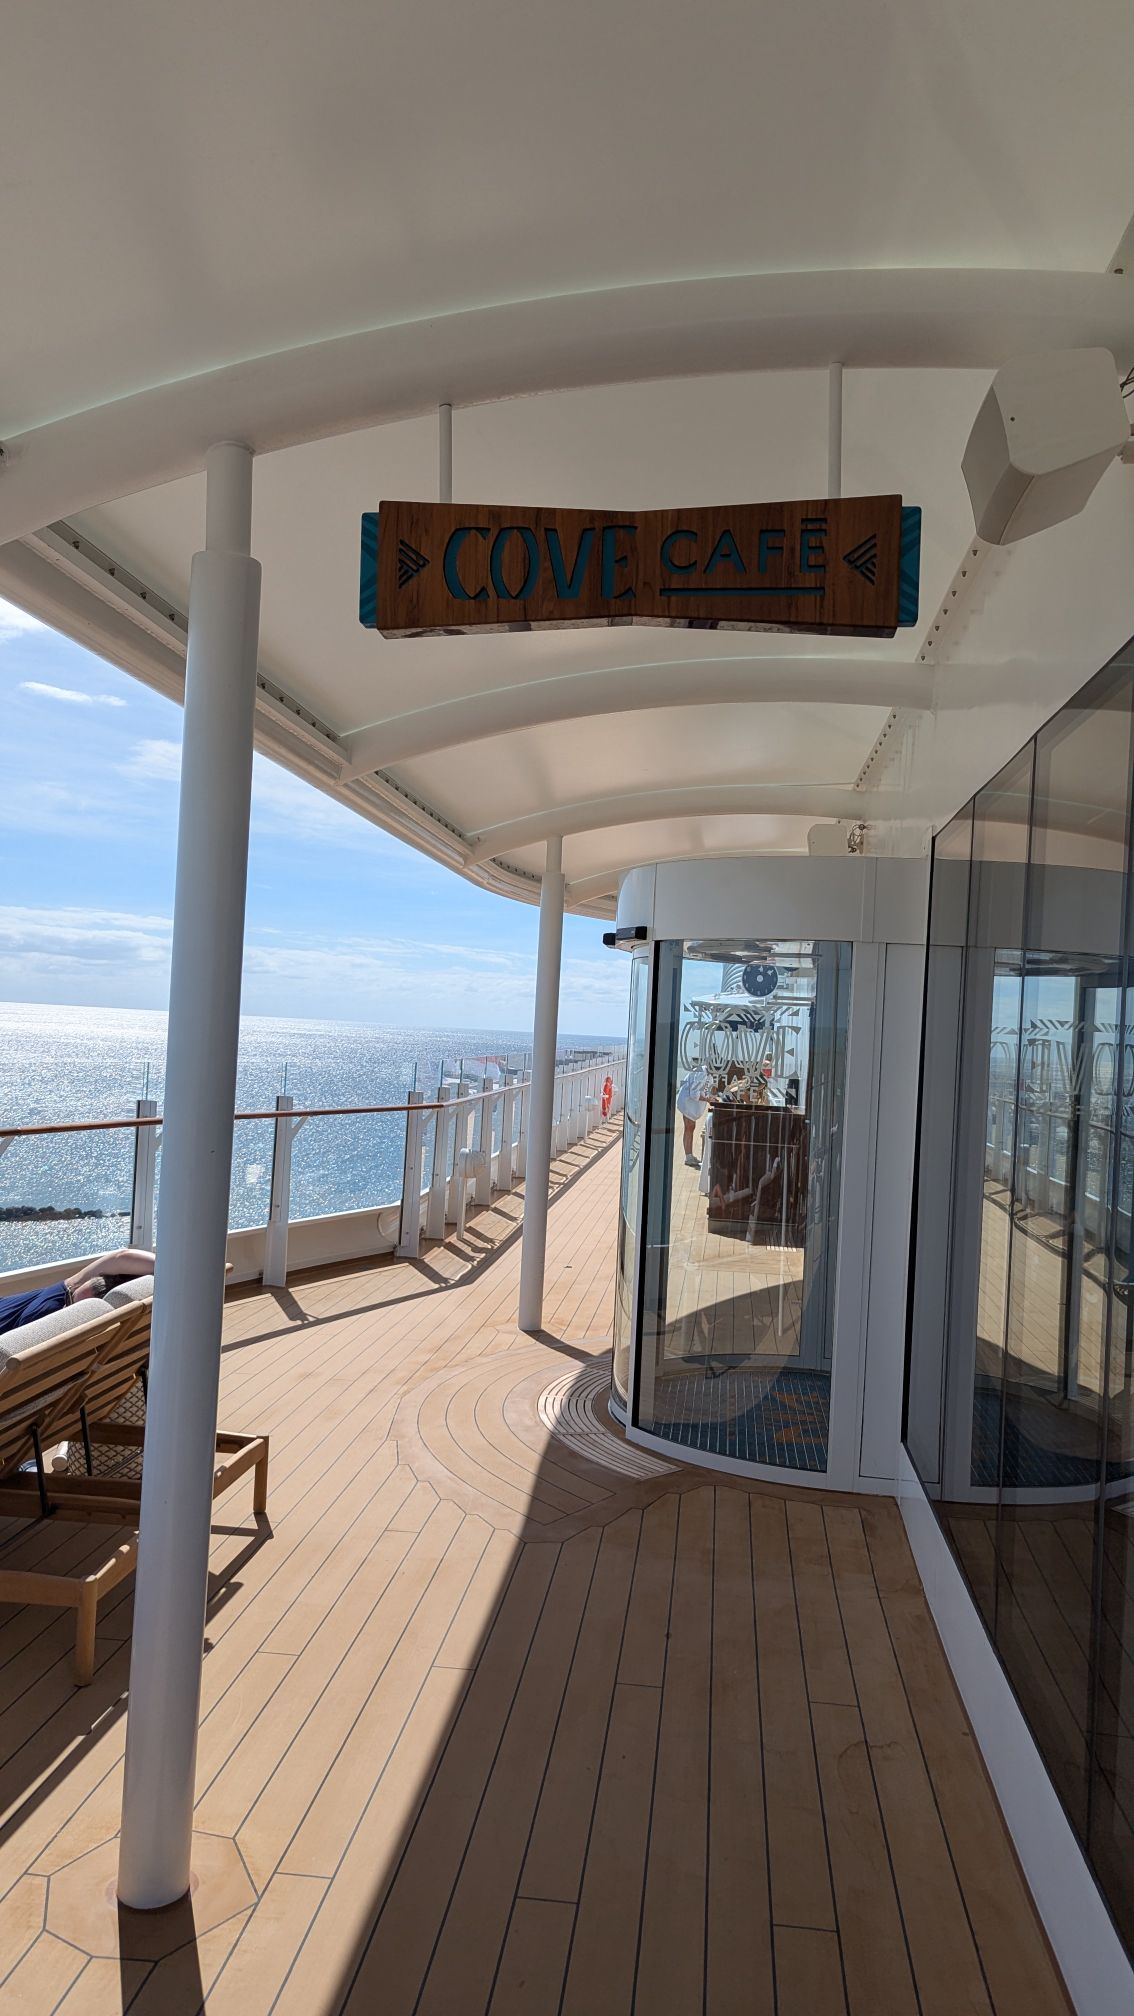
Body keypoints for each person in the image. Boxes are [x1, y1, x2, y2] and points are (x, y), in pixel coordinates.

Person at [0, 1246, 155, 1338]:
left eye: (72, 1306)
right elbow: (120, 1258)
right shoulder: (70, 1290)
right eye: (70, 1295)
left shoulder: (51, 1325)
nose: (71, 1294)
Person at [676, 1065, 712, 1166]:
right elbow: (694, 1094)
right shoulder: (702, 1073)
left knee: (691, 1128)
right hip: (687, 1102)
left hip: (689, 1103)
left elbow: (704, 1090)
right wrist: (708, 1099)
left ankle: (689, 1156)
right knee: (689, 1128)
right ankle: (688, 1157)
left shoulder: (706, 1072)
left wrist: (710, 1097)